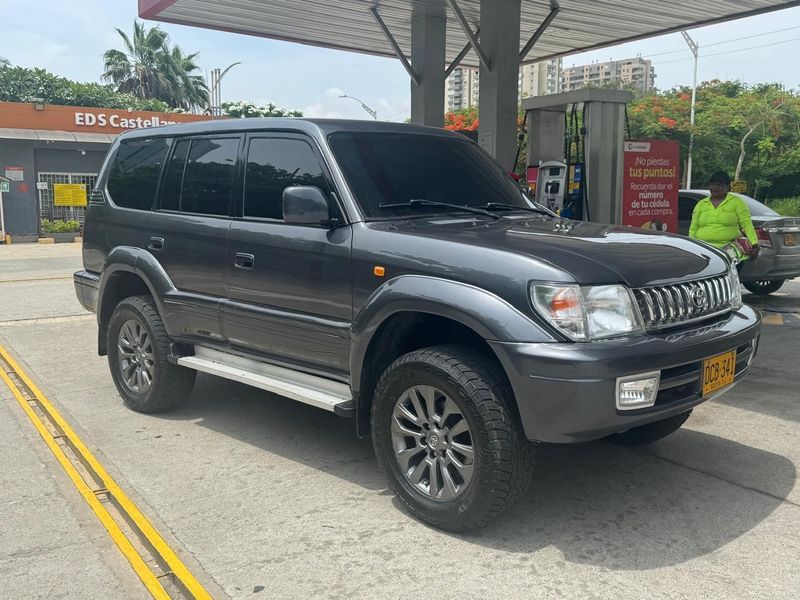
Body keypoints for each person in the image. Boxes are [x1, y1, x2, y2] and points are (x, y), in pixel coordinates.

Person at [688, 170, 758, 262]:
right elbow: (693, 228)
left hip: (731, 251)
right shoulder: (701, 204)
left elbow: (747, 224)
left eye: (720, 185)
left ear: (727, 186)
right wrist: (692, 246)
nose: (715, 187)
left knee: (728, 271)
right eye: (713, 184)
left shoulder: (737, 202)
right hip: (704, 250)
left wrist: (754, 243)